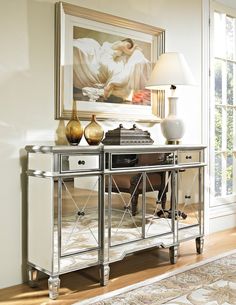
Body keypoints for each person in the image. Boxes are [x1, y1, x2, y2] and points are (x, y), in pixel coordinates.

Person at [73, 37, 151, 102]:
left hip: (105, 62)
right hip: (101, 55)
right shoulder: (124, 54)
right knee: (84, 48)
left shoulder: (123, 69)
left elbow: (107, 63)